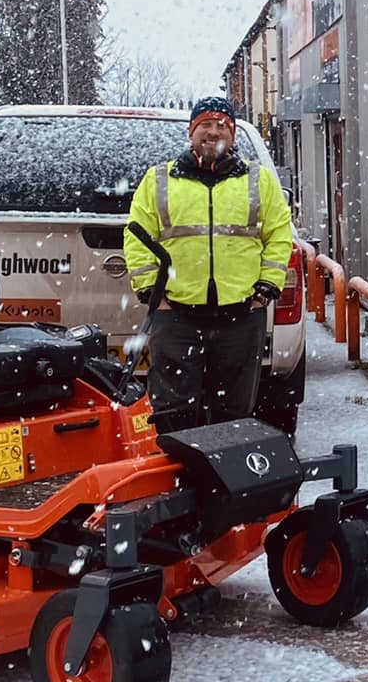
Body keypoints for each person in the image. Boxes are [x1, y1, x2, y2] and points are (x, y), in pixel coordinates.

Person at [124, 95, 294, 434]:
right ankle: (181, 478)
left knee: (233, 411)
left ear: (231, 135)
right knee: (173, 411)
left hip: (241, 314)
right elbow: (137, 236)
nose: (213, 132)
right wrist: (152, 294)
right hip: (177, 315)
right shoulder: (159, 180)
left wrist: (265, 289)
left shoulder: (257, 181)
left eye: (221, 125)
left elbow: (279, 235)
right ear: (191, 132)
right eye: (205, 125)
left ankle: (224, 483)